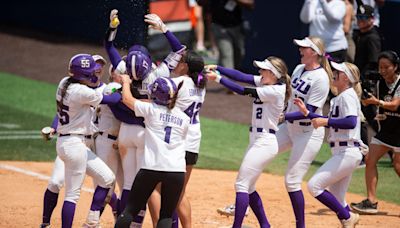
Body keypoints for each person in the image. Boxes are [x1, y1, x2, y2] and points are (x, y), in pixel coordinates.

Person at [105, 10, 186, 227]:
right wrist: (164, 28)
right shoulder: (157, 76)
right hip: (146, 132)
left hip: (124, 132)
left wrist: (113, 27)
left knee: (130, 186)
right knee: (156, 193)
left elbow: (109, 47)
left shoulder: (123, 69)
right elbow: (180, 50)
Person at [206, 56, 290, 228]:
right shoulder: (267, 82)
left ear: (274, 74)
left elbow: (242, 90)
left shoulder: (275, 91)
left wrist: (218, 78)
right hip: (257, 140)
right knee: (249, 187)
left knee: (241, 184)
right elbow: (242, 76)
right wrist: (219, 67)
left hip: (265, 142)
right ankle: (265, 225)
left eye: (263, 70)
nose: (260, 72)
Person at [39, 54, 118, 228]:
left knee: (107, 178)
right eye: (90, 71)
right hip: (74, 145)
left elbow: (92, 87)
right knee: (72, 195)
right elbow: (111, 99)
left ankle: (91, 221)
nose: (94, 73)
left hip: (72, 144)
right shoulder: (81, 92)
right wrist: (122, 89)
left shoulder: (64, 82)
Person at [294, 61, 366, 227]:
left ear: (346, 79)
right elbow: (329, 121)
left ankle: (347, 217)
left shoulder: (348, 95)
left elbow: (350, 122)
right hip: (342, 151)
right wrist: (307, 112)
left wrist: (325, 121)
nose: (334, 72)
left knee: (314, 186)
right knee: (337, 196)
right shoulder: (339, 98)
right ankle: (348, 218)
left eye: (338, 72)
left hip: (347, 151)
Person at [114, 76, 190, 228]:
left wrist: (126, 83)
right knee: (166, 215)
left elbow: (127, 99)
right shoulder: (184, 118)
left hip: (151, 168)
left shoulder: (151, 110)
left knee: (130, 210)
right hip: (176, 171)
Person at [279, 36, 332, 228]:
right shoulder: (299, 69)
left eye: (304, 47)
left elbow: (308, 112)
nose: (300, 49)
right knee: (261, 151)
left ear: (315, 53)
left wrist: (284, 117)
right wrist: (282, 112)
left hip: (308, 134)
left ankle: (301, 225)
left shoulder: (321, 79)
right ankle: (242, 197)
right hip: (288, 128)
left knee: (292, 181)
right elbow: (291, 97)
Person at [351, 50, 400, 214]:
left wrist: (376, 102)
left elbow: (394, 105)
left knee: (398, 166)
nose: (383, 70)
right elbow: (382, 107)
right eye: (380, 67)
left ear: (396, 67)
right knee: (370, 159)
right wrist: (368, 104)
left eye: (387, 67)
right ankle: (371, 201)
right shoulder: (380, 84)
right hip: (387, 130)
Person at [170, 51, 207, 228]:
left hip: (177, 140)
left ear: (185, 65)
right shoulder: (201, 85)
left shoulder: (179, 82)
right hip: (193, 141)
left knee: (164, 189)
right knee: (180, 191)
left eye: (179, 61)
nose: (176, 64)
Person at [353, 4, 382, 145]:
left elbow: (373, 64)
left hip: (366, 85)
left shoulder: (372, 38)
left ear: (372, 19)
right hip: (360, 82)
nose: (360, 21)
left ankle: (393, 149)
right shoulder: (361, 35)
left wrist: (362, 83)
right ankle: (363, 151)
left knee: (371, 118)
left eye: (364, 18)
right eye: (359, 17)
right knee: (363, 117)